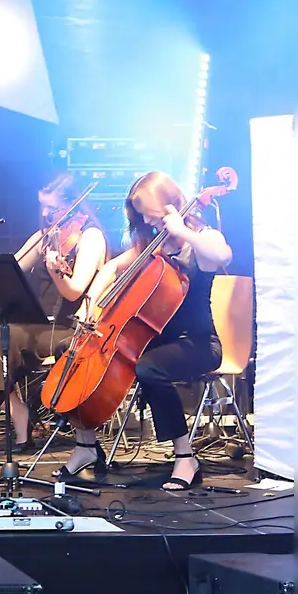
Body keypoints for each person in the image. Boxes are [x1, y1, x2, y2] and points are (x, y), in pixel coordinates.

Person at [55, 171, 232, 492]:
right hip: (154, 340)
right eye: (144, 217)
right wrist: (89, 305)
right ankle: (86, 445)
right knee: (70, 350)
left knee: (149, 368)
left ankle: (185, 457)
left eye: (152, 213)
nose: (149, 222)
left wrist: (182, 231)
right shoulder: (152, 243)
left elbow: (222, 256)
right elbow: (110, 268)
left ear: (170, 203)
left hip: (197, 343)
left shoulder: (203, 238)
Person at [0, 173, 107, 454]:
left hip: (70, 329)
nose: (46, 214)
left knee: (8, 342)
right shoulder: (46, 237)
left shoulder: (90, 238)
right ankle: (18, 412)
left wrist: (56, 271)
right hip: (36, 327)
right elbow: (14, 269)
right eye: (42, 207)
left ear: (74, 206)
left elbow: (74, 291)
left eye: (53, 208)